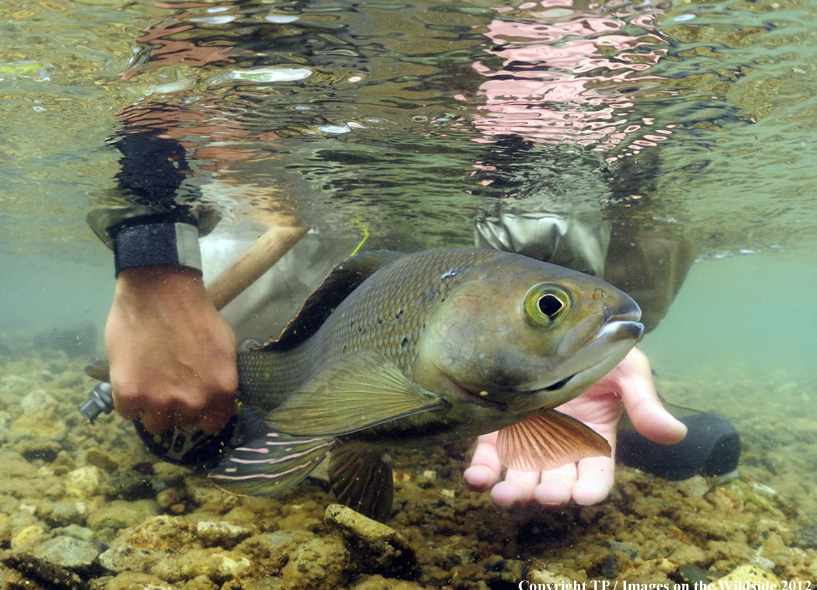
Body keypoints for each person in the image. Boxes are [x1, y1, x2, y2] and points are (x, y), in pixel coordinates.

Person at [88, 0, 692, 510]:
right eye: (550, 307)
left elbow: (550, 167)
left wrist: (566, 352)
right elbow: (172, 64)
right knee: (177, 382)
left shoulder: (555, 48)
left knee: (636, 258)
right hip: (316, 196)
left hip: (508, 172)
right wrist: (152, 273)